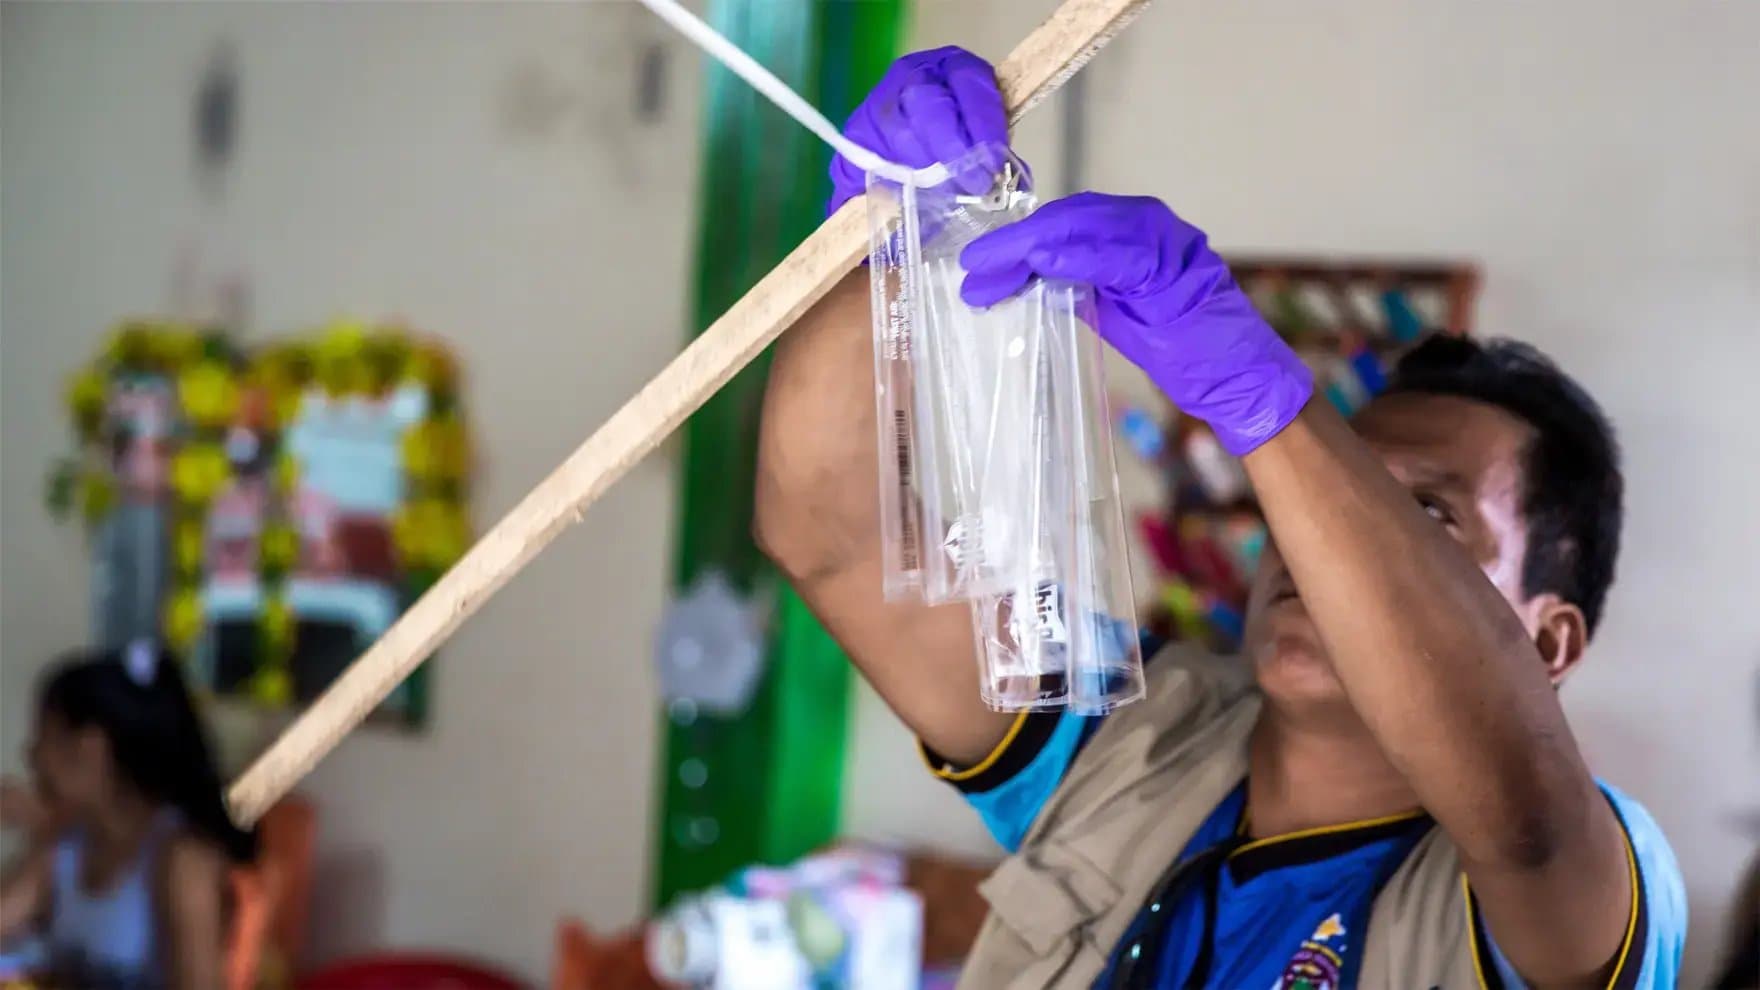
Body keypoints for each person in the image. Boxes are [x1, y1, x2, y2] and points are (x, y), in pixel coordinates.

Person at [755, 47, 1685, 988]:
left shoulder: (1592, 874)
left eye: (1426, 519)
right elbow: (832, 541)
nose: (1322, 546)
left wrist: (1272, 411)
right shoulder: (1131, 738)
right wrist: (881, 246)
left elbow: (1524, 823)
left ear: (1551, 642)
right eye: (1329, 492)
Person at [0, 642, 256, 990]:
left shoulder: (180, 860)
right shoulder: (64, 847)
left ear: (89, 747)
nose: (31, 756)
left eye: (44, 736)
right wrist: (42, 826)